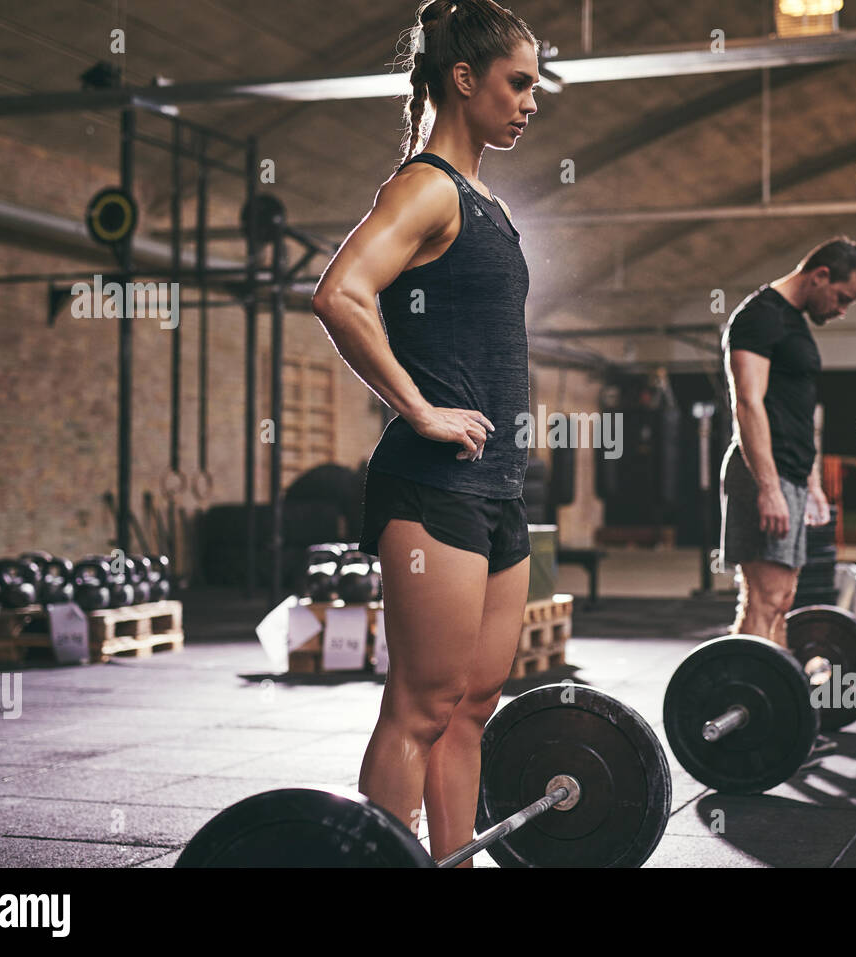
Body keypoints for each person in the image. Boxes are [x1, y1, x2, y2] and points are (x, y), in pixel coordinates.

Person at [310, 0, 541, 866]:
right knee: (419, 703)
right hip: (432, 484)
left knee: (472, 704)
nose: (529, 100)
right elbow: (339, 294)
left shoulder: (484, 198)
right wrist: (419, 407)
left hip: (498, 488)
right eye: (517, 82)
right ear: (464, 78)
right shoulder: (426, 186)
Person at [719, 237, 856, 648]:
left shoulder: (793, 322)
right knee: (764, 599)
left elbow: (798, 414)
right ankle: (750, 694)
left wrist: (811, 485)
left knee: (782, 598)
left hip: (790, 473)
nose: (841, 311)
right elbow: (748, 403)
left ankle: (772, 696)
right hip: (761, 473)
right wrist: (769, 488)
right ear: (820, 275)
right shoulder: (760, 316)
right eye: (842, 298)